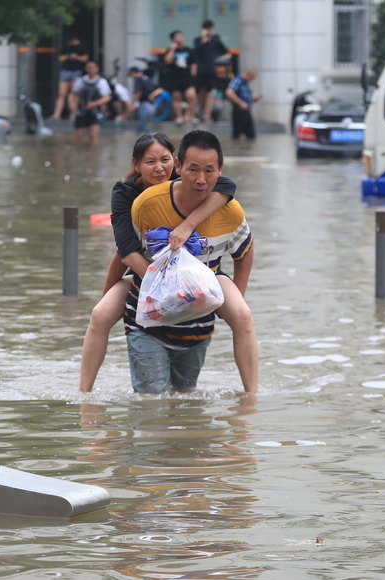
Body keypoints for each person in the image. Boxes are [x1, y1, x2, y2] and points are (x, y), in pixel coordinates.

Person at [79, 132, 259, 393]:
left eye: (164, 160)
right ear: (136, 165)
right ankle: (85, 395)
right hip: (146, 270)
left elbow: (227, 187)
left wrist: (189, 224)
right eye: (150, 162)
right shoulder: (131, 197)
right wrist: (163, 282)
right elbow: (124, 251)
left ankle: (251, 397)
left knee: (242, 315)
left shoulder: (201, 185)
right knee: (100, 314)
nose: (159, 168)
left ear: (174, 163)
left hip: (203, 271)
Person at [192, 20, 231, 123]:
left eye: (210, 29)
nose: (209, 31)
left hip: (212, 71)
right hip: (200, 71)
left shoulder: (216, 40)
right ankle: (199, 112)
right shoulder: (198, 40)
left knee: (210, 93)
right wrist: (204, 40)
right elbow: (195, 52)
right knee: (199, 93)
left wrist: (218, 59)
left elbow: (227, 53)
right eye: (207, 29)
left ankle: (207, 115)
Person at [69, 61, 111, 144]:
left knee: (93, 136)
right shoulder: (80, 80)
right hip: (81, 111)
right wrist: (72, 105)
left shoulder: (102, 82)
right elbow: (73, 94)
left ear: (97, 69)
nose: (90, 69)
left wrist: (95, 103)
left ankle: (94, 151)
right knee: (79, 137)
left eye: (92, 67)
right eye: (88, 67)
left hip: (95, 112)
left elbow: (107, 97)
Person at [162, 31, 198, 124]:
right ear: (173, 39)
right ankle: (179, 117)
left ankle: (191, 116)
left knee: (191, 96)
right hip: (174, 77)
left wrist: (194, 76)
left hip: (187, 77)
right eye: (178, 36)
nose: (180, 38)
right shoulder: (170, 50)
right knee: (177, 98)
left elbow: (194, 64)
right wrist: (172, 49)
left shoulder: (188, 50)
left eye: (181, 36)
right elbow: (168, 61)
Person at [51, 36, 89, 120]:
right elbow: (60, 58)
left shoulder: (81, 47)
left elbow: (85, 58)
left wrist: (76, 57)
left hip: (76, 71)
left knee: (73, 94)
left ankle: (73, 113)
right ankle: (57, 114)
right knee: (61, 94)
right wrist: (69, 56)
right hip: (66, 71)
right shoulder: (65, 48)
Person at [225, 68, 261, 140]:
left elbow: (244, 97)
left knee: (250, 134)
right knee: (237, 133)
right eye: (252, 78)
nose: (251, 80)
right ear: (248, 75)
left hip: (245, 109)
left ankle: (243, 146)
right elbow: (229, 92)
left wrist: (252, 100)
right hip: (239, 110)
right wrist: (241, 103)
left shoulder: (244, 83)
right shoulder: (238, 80)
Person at [128, 66, 163, 133]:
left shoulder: (138, 79)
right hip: (152, 105)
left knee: (142, 127)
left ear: (133, 73)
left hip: (144, 105)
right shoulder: (147, 78)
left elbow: (138, 93)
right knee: (148, 126)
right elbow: (160, 89)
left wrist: (134, 103)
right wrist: (152, 95)